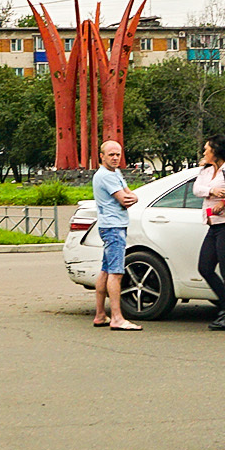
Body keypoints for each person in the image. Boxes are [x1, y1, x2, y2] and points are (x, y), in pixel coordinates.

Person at [192, 134, 225, 331]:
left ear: (216, 150)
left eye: (207, 148)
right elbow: (197, 189)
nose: (204, 152)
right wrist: (212, 192)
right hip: (212, 224)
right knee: (204, 266)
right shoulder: (205, 171)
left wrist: (224, 203)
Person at [91, 140, 141, 330]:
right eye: (111, 154)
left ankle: (100, 314)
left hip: (113, 226)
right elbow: (125, 199)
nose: (115, 158)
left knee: (106, 270)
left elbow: (129, 194)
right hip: (113, 228)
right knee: (116, 272)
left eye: (118, 154)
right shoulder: (105, 176)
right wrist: (130, 198)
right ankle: (117, 317)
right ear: (101, 156)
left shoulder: (115, 172)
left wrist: (131, 197)